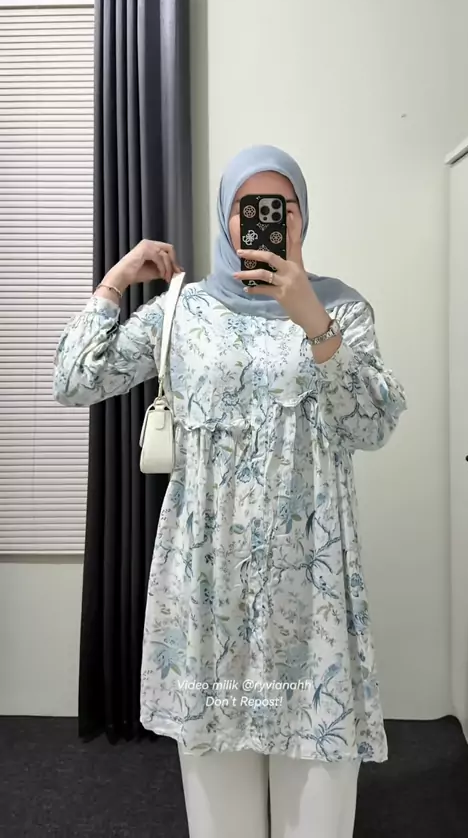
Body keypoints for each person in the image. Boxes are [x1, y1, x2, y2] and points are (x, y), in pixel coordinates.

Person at [53, 145, 407, 838]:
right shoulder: (182, 312)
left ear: (302, 216)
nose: (263, 221)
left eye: (281, 206)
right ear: (225, 217)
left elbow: (372, 425)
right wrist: (118, 279)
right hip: (207, 597)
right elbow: (74, 380)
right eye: (248, 207)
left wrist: (314, 322)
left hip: (311, 601)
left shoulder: (341, 308)